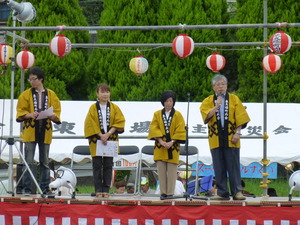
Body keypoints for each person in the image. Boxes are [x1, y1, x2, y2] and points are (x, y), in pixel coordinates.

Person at [200, 74, 250, 201]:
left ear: (227, 86)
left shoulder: (234, 99)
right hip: (215, 138)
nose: (220, 87)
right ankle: (222, 192)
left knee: (233, 166)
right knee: (219, 166)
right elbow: (206, 116)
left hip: (231, 137)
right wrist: (216, 106)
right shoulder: (207, 101)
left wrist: (238, 133)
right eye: (218, 84)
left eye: (223, 84)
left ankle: (237, 191)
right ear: (213, 87)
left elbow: (241, 116)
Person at [16, 67, 61, 195]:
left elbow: (57, 111)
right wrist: (29, 114)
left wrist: (53, 116)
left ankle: (45, 188)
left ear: (41, 79)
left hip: (45, 130)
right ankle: (27, 188)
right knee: (28, 161)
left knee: (45, 162)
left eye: (34, 79)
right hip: (30, 130)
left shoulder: (51, 94)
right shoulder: (25, 94)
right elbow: (20, 111)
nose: (31, 81)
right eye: (30, 79)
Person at [84, 83, 125, 198]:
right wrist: (100, 135)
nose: (105, 94)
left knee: (108, 164)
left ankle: (106, 188)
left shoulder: (114, 107)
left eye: (107, 92)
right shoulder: (93, 108)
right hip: (96, 140)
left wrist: (108, 134)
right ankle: (98, 189)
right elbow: (90, 123)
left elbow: (119, 121)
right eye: (102, 92)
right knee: (97, 165)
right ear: (97, 93)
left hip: (110, 139)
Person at [148, 90, 186, 200]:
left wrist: (172, 141)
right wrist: (161, 141)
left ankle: (170, 193)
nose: (169, 103)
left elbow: (180, 129)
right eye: (166, 101)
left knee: (172, 171)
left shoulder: (178, 115)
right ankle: (163, 193)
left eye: (171, 101)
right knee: (161, 171)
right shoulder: (157, 114)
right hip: (161, 146)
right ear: (163, 102)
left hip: (172, 147)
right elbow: (153, 128)